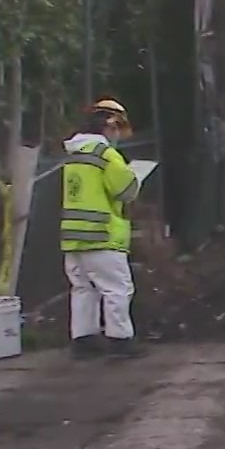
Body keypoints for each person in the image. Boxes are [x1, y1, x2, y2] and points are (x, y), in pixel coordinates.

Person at [60, 99, 143, 359]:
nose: (117, 135)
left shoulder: (73, 154)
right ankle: (121, 340)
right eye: (117, 128)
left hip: (73, 238)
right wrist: (134, 174)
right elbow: (127, 190)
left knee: (83, 288)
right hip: (101, 236)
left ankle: (84, 340)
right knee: (117, 288)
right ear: (110, 126)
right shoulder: (105, 155)